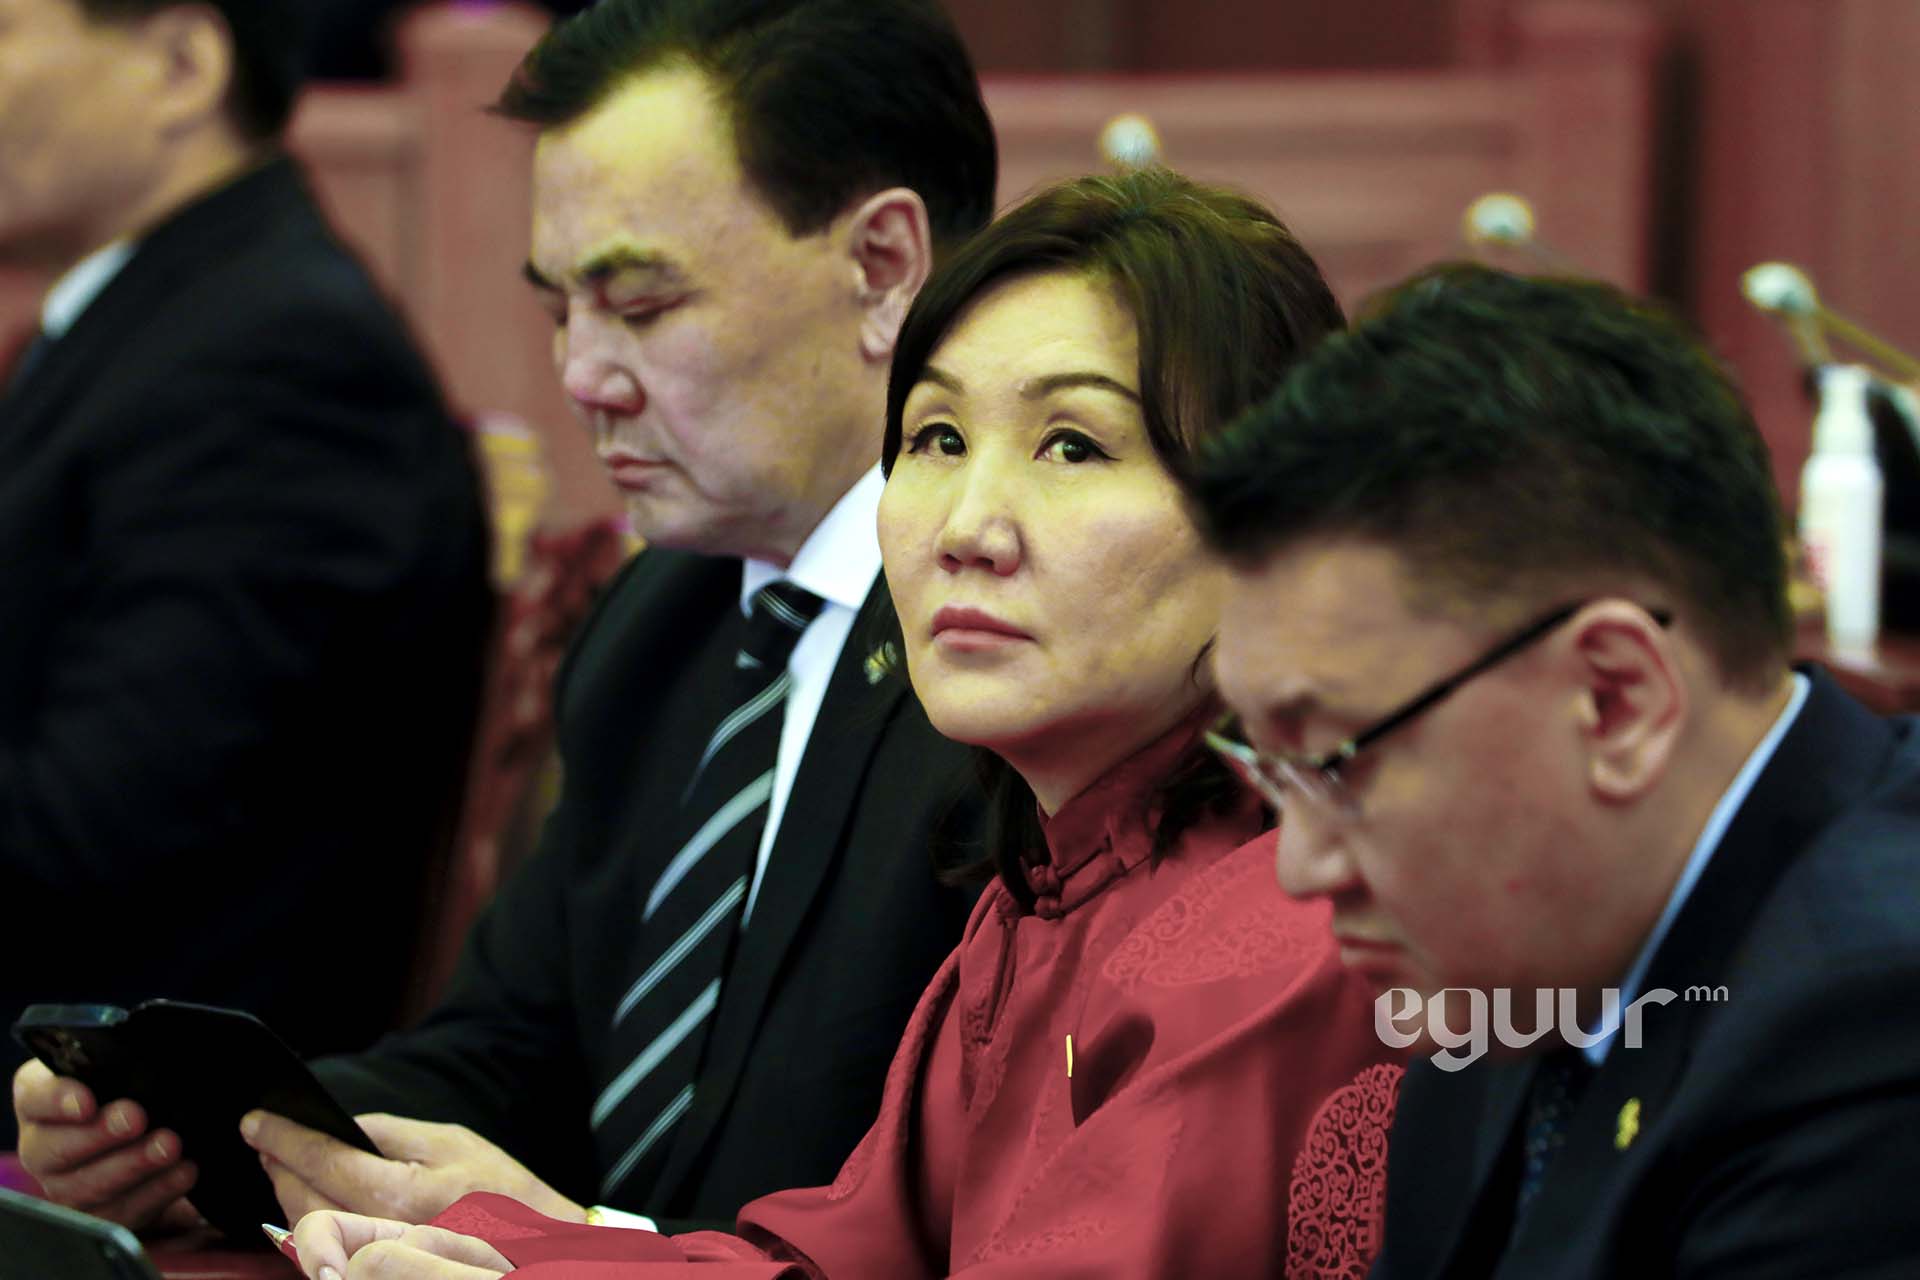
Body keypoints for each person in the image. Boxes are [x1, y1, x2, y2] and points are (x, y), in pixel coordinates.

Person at [284, 166, 1402, 1280]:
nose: (967, 527)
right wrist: (509, 1246)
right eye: (937, 437)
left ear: (1274, 523)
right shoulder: (1041, 894)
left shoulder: (1278, 931)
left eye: (1073, 445)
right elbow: (835, 1261)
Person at [14, 0, 997, 1238]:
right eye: (560, 309)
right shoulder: (662, 620)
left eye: (641, 304)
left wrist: (583, 1251)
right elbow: (505, 1056)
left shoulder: (1005, 652)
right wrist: (196, 1134)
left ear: (883, 266)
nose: (582, 375)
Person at [1188, 263, 1920, 1276]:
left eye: (1333, 764)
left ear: (1616, 700)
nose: (1298, 866)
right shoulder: (1514, 967)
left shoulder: (1872, 1028)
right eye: (1271, 768)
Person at [0, 0, 490, 1158]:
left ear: (182, 64)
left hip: (136, 1114)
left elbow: (100, 838)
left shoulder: (273, 351)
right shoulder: (152, 316)